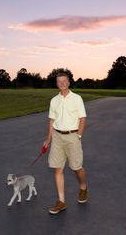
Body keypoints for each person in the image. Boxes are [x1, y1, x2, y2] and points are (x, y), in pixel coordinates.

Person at [43, 73, 88, 214]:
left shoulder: (76, 98)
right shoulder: (54, 100)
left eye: (64, 81)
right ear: (57, 84)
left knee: (76, 167)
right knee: (58, 168)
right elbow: (51, 121)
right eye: (59, 81)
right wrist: (48, 139)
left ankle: (83, 187)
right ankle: (61, 202)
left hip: (72, 136)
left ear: (68, 83)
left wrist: (78, 135)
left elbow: (82, 118)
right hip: (57, 136)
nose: (61, 83)